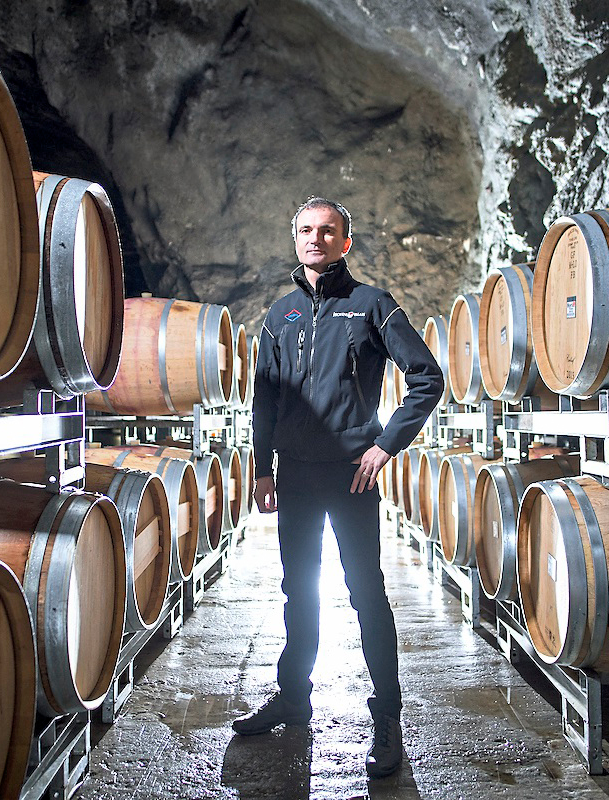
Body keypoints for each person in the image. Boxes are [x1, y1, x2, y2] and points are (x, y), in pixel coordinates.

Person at [233, 197, 443, 779]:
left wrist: (385, 445)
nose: (316, 239)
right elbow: (265, 399)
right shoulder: (279, 316)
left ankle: (388, 718)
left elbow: (427, 377)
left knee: (365, 594)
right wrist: (261, 468)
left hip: (352, 475)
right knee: (299, 593)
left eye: (328, 231)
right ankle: (293, 698)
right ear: (294, 238)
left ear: (346, 242)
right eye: (306, 230)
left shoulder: (371, 306)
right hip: (295, 475)